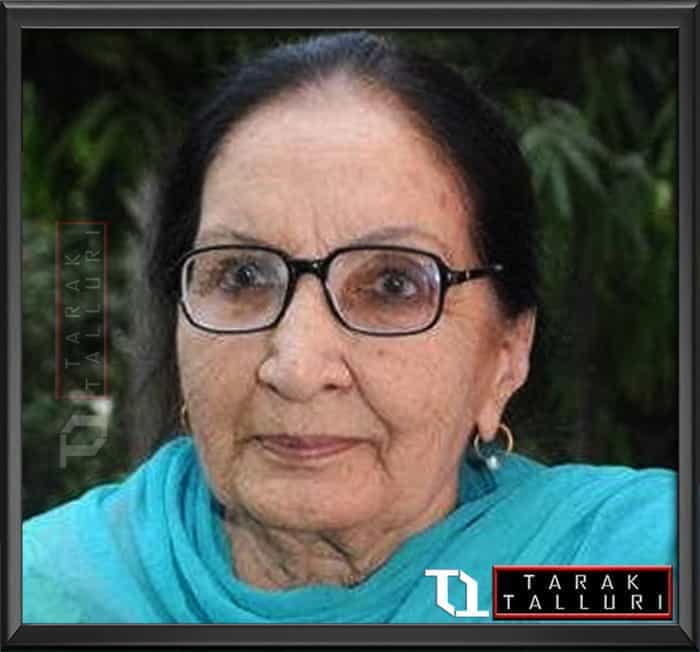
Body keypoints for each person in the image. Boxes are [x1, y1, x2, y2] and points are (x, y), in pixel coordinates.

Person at [23, 31, 675, 624]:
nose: (296, 368)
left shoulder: (598, 569)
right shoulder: (49, 593)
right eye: (242, 276)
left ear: (506, 354)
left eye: (393, 285)